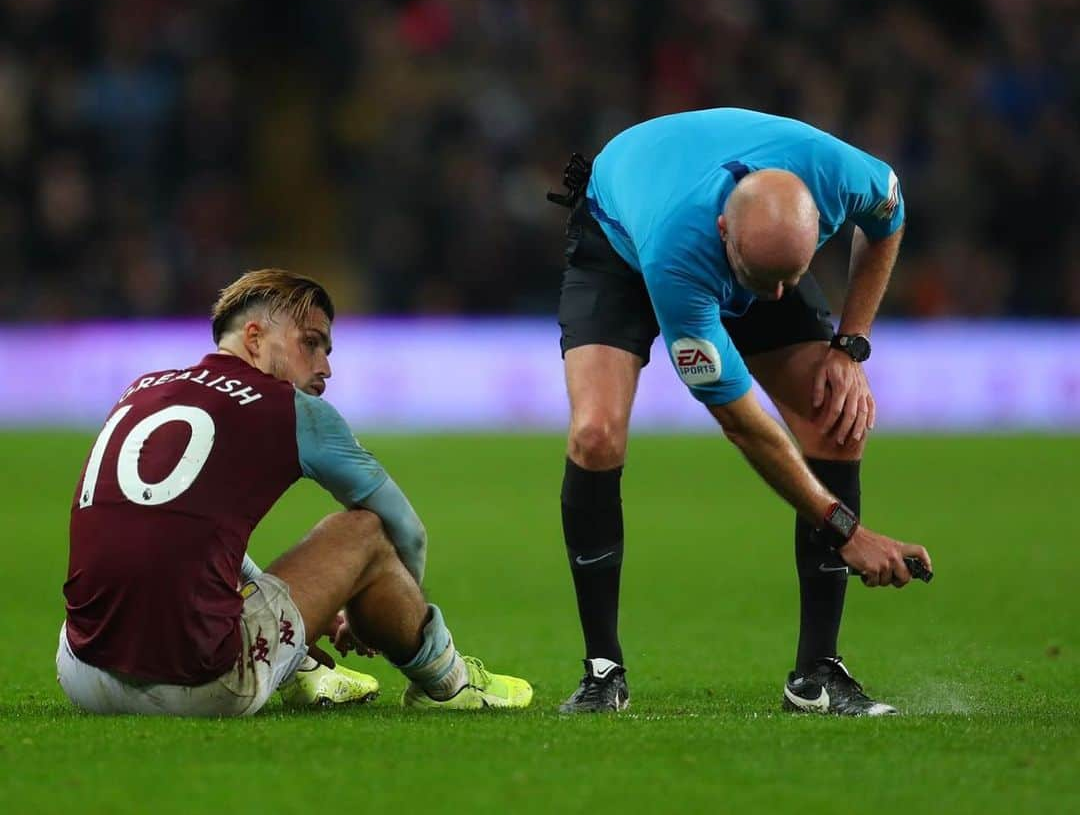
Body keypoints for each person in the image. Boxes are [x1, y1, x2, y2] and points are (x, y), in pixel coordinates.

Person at [549, 108, 933, 716]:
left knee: (830, 410)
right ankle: (603, 671)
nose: (775, 298)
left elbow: (890, 220)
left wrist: (850, 345)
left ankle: (817, 675)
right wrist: (848, 532)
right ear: (726, 229)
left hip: (722, 228)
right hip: (619, 240)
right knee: (595, 435)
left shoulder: (844, 177)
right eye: (760, 281)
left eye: (792, 279)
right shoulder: (680, 255)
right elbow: (745, 426)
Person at [57, 268, 532, 716]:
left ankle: (299, 668)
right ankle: (448, 681)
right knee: (364, 530)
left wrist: (317, 597)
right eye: (311, 343)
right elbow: (407, 532)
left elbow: (166, 532)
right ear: (255, 337)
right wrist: (371, 608)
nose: (325, 365)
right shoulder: (291, 409)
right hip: (200, 686)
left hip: (82, 668)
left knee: (191, 538)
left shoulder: (141, 389)